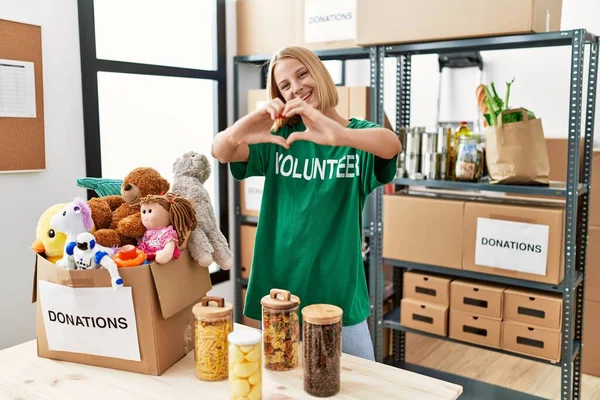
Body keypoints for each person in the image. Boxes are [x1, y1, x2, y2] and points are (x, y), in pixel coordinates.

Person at [212, 46, 401, 361]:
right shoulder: (279, 137)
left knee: (361, 389)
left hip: (339, 294)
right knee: (281, 386)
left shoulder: (356, 137)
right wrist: (248, 123)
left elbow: (391, 145)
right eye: (285, 85)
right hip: (279, 295)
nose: (296, 87)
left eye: (302, 74)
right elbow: (221, 151)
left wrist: (340, 136)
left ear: (320, 73)